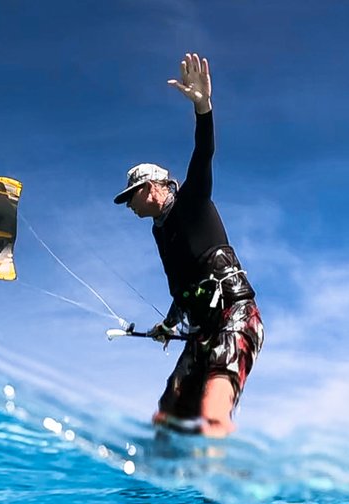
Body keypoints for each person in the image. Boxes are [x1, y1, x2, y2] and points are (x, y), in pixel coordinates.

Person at [112, 53, 263, 437]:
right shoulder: (161, 232)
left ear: (150, 188)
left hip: (236, 316)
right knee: (165, 422)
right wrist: (167, 324)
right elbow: (184, 288)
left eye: (131, 197)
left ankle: (226, 487)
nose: (128, 205)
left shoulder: (192, 201)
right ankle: (148, 494)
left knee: (213, 410)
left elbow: (204, 153)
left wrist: (203, 107)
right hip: (200, 332)